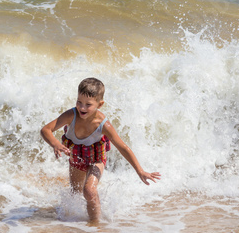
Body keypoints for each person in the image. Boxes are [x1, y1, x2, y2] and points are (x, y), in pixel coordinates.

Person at [40, 77, 161, 222]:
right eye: (79, 102)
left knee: (89, 191)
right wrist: (55, 144)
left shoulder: (103, 125)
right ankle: (73, 224)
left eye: (88, 104)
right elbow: (46, 130)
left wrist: (140, 171)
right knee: (75, 193)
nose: (82, 108)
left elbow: (123, 147)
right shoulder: (71, 115)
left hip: (96, 158)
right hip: (77, 157)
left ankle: (95, 225)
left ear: (100, 104)